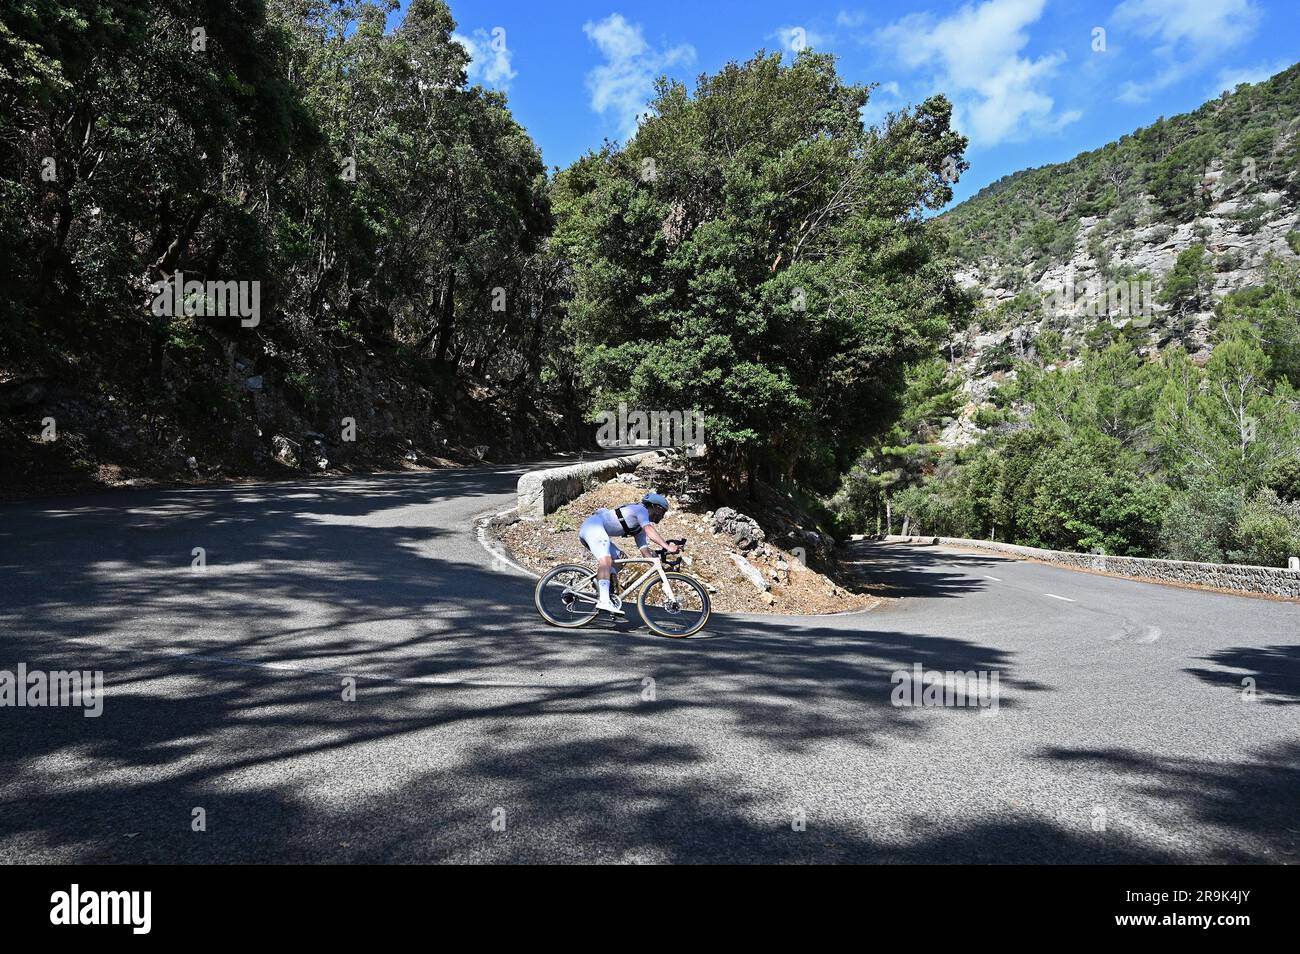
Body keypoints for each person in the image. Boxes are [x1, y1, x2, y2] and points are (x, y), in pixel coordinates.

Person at [579, 492, 678, 614]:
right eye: (663, 512)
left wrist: (659, 567)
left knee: (620, 560)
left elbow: (645, 553)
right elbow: (650, 531)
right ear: (657, 508)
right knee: (606, 559)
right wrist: (667, 546)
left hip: (596, 530)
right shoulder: (641, 510)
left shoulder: (639, 529)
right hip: (592, 527)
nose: (663, 516)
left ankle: (603, 585)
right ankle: (604, 601)